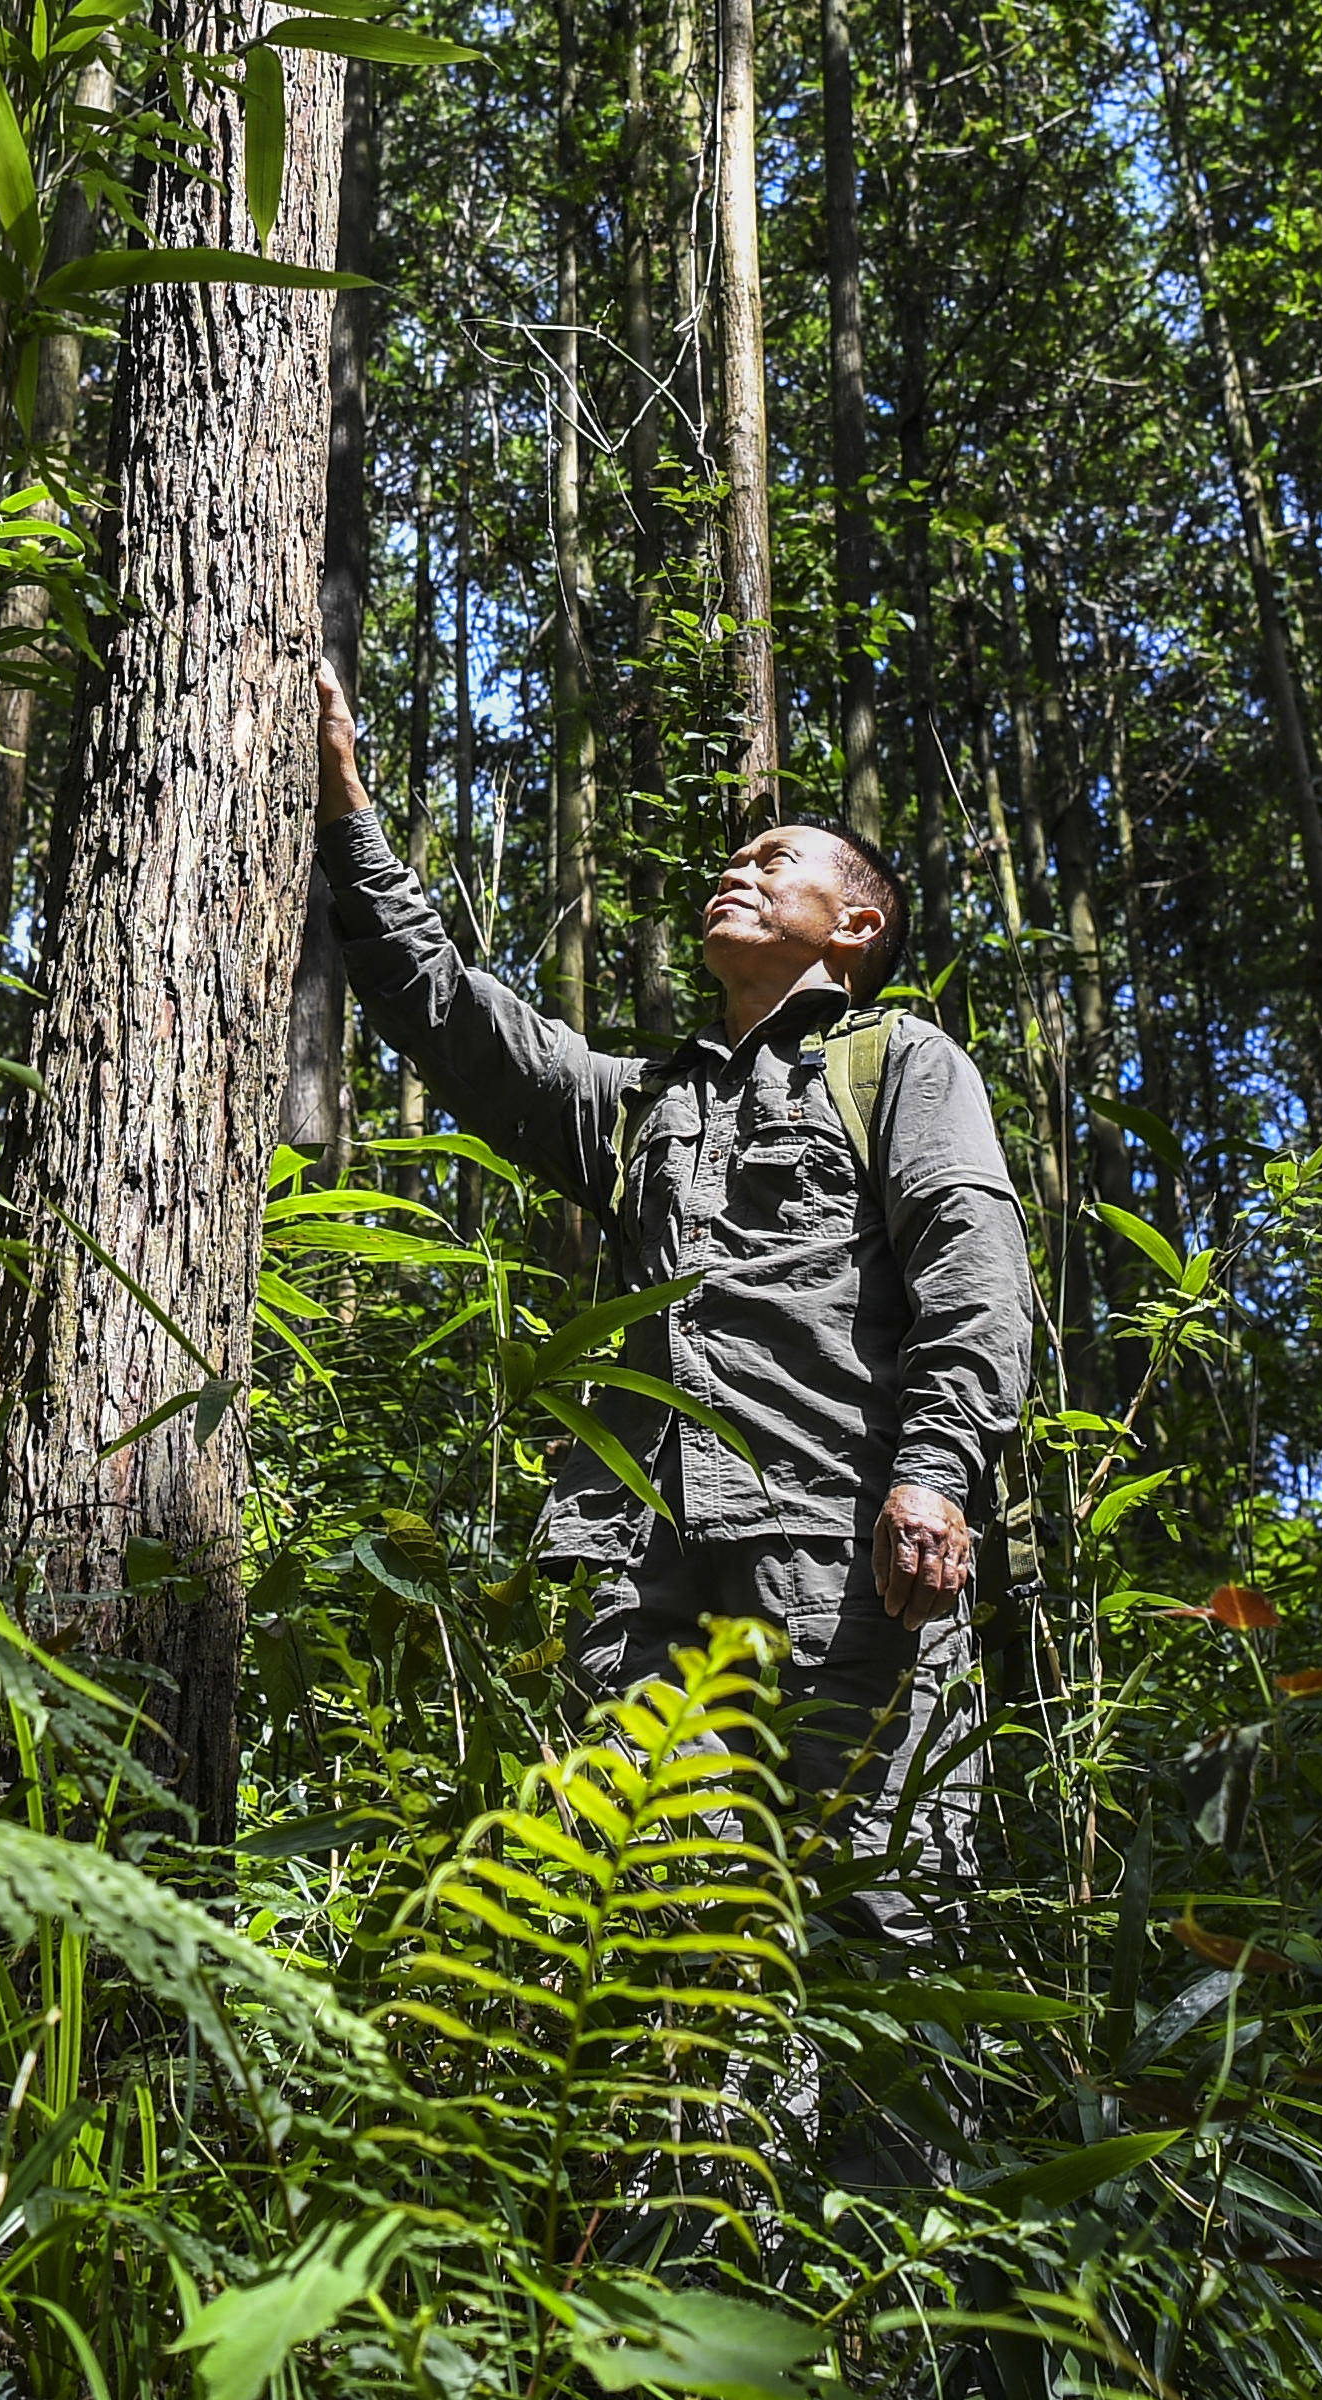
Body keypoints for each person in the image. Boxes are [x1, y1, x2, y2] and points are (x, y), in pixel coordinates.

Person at [308, 659, 1030, 1944]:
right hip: (639, 1588)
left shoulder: (903, 1061)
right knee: (658, 1957)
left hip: (841, 1559)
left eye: (777, 856)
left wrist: (936, 1474)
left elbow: (971, 1265)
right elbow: (453, 1019)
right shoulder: (648, 1104)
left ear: (855, 929)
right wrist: (347, 809)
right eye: (737, 854)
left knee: (876, 1934)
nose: (737, 868)